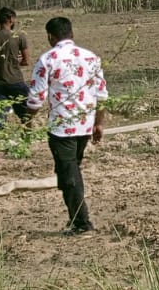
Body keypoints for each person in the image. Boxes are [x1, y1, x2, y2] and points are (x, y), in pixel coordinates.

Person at [24, 16, 107, 234]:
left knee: (70, 175)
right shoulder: (91, 58)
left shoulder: (47, 60)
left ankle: (82, 224)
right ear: (72, 34)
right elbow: (102, 95)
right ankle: (75, 218)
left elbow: (35, 99)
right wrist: (98, 124)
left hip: (62, 128)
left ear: (50, 37)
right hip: (85, 123)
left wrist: (26, 121)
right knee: (69, 170)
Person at [0, 7, 30, 165]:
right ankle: (26, 147)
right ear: (10, 19)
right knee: (27, 114)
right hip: (16, 82)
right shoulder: (19, 37)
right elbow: (26, 61)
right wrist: (17, 61)